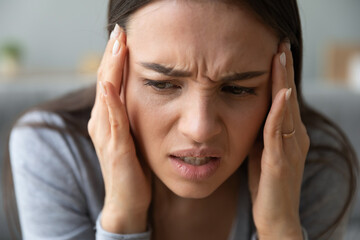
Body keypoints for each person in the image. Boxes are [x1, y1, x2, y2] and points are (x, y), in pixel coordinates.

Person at [4, 0, 358, 239]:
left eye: (237, 89)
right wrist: (123, 215)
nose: (199, 127)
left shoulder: (316, 168)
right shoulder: (51, 151)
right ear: (116, 70)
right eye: (162, 84)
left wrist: (281, 226)